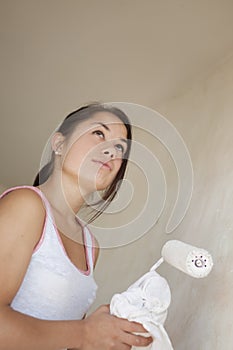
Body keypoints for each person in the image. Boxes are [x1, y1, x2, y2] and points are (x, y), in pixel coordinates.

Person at [0, 103, 153, 350]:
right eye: (99, 133)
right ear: (59, 143)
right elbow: (78, 334)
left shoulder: (91, 247)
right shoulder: (25, 205)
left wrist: (106, 338)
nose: (111, 151)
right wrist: (85, 334)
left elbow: (64, 338)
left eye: (119, 147)